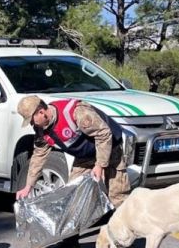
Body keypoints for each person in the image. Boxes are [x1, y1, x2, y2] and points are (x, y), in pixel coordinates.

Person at [16, 95, 130, 247]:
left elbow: (104, 135)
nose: (31, 124)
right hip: (85, 157)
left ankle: (124, 241)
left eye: (31, 119)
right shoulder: (42, 130)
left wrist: (100, 165)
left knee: (118, 197)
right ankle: (70, 242)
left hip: (109, 149)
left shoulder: (76, 112)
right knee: (72, 198)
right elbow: (38, 156)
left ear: (41, 112)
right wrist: (28, 186)